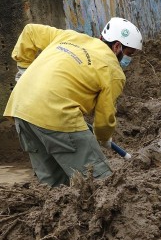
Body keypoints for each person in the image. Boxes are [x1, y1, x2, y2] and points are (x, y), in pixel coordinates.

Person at [3, 18, 143, 187]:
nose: (128, 59)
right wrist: (104, 138)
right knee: (100, 183)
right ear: (117, 46)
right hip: (58, 115)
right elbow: (104, 117)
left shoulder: (70, 37)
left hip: (20, 109)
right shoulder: (113, 71)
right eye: (129, 53)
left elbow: (30, 31)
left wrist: (24, 68)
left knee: (53, 185)